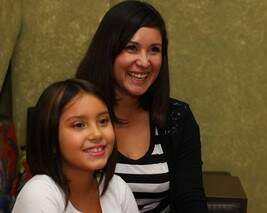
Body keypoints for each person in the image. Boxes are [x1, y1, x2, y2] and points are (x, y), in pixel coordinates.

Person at [76, 1, 209, 212]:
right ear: (108, 50)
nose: (144, 61)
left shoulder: (177, 117)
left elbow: (190, 199)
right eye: (132, 48)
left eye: (154, 50)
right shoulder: (74, 115)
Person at [12, 79, 139, 213]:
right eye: (79, 125)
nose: (97, 134)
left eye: (103, 121)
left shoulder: (117, 188)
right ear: (51, 137)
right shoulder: (39, 193)